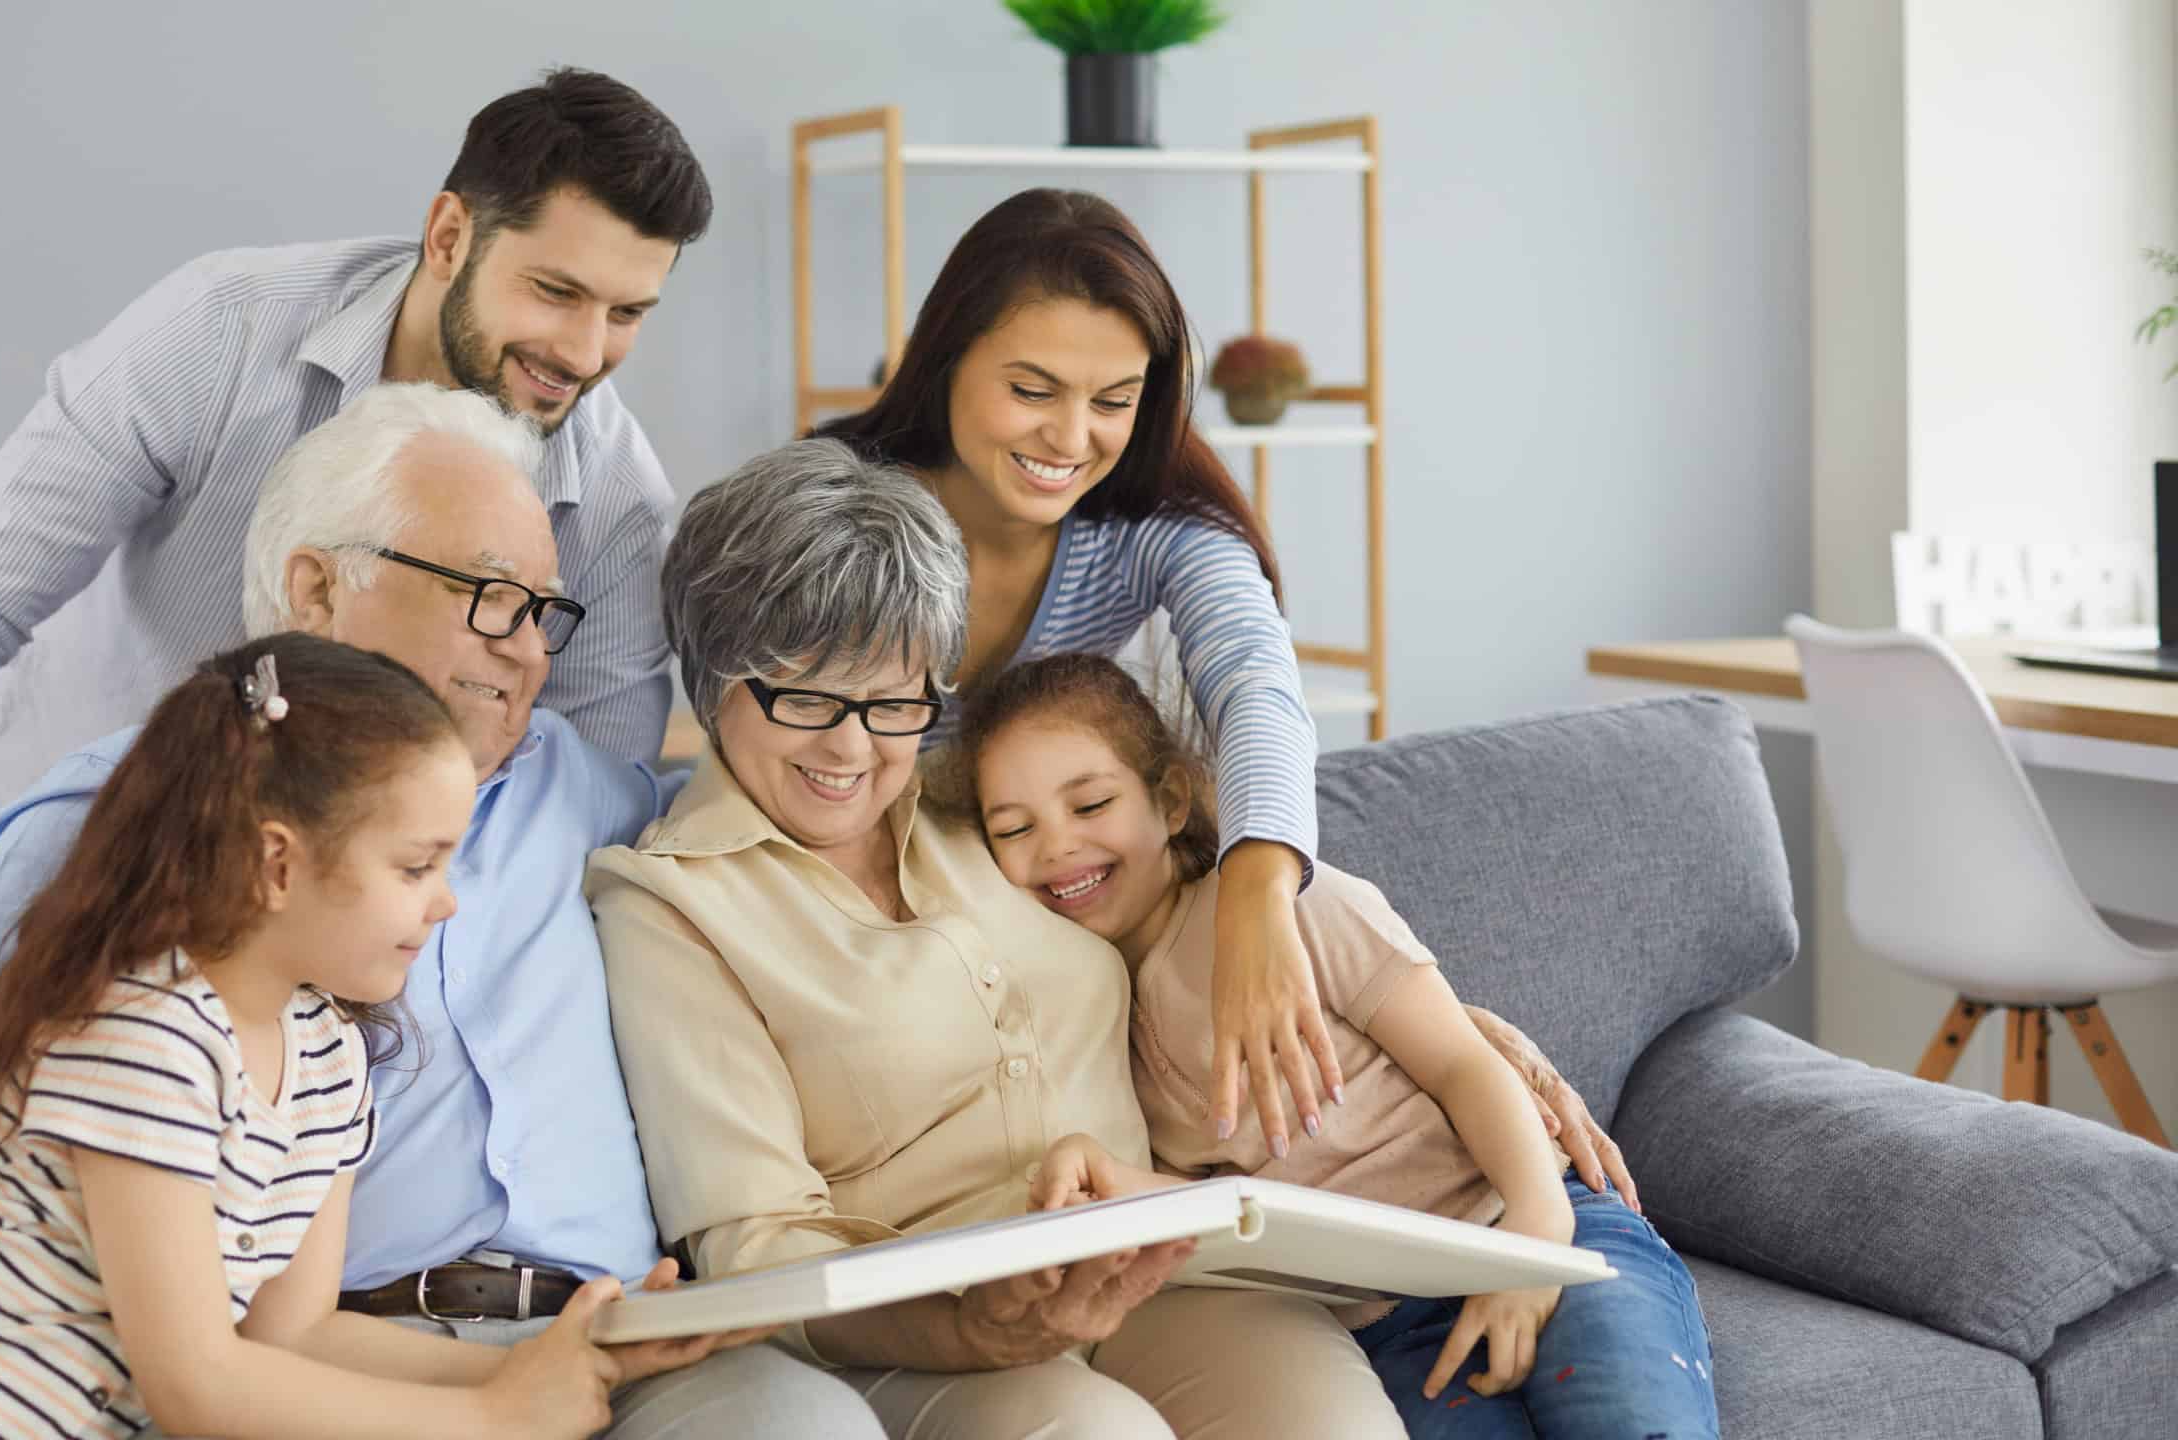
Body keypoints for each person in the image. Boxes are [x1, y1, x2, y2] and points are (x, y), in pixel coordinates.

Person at [0, 385, 880, 1440]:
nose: (527, 653)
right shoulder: (145, 811)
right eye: (491, 599)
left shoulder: (592, 802)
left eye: (545, 614)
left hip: (604, 1344)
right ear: (318, 586)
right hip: (306, 1367)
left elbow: (804, 837)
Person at [587, 440, 1624, 1440]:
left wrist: (1454, 1032)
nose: (853, 748)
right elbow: (756, 1247)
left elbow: (1177, 916)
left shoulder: (978, 807)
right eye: (807, 698)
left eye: (893, 699)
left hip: (1167, 1261)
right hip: (936, 1324)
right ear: (714, 678)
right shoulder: (669, 904)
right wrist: (971, 1328)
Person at [0, 67, 709, 814]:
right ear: (447, 236)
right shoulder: (217, 331)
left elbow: (585, 794)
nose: (585, 354)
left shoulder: (617, 502)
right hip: (71, 803)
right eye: (555, 291)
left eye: (627, 312)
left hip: (357, 889)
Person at [0, 632, 628, 1440]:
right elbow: (196, 1386)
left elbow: (295, 1335)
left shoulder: (328, 1056)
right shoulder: (145, 1032)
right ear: (278, 864)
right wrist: (492, 1418)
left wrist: (559, 1363)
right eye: (416, 868)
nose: (447, 905)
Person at [958, 652, 1720, 1440]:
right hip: (1390, 1320)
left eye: (1089, 804)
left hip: (1527, 1221)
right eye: (1013, 828)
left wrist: (1535, 1232)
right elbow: (1236, 1207)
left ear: (1171, 800)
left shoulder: (1290, 910)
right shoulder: (1093, 1016)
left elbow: (1464, 1064)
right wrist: (1111, 1179)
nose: (1056, 846)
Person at [815, 187, 1341, 1160]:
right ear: (946, 362)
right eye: (1031, 390)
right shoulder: (835, 504)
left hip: (1022, 914)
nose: (1069, 440)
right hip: (851, 910)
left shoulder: (1153, 530)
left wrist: (1259, 893)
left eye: (1112, 402)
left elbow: (1255, 687)